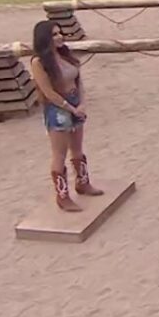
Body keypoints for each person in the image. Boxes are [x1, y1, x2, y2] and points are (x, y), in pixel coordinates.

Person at [29, 20, 103, 213]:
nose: (59, 37)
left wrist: (82, 102)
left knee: (77, 148)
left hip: (75, 102)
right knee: (59, 154)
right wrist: (69, 107)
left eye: (59, 33)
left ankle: (83, 182)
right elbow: (48, 92)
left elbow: (78, 81)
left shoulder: (65, 56)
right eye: (54, 34)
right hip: (58, 108)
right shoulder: (39, 63)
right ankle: (62, 196)